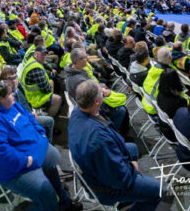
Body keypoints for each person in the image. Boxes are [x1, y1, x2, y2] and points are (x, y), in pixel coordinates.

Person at [0, 80, 80, 211]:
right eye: (10, 94)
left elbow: (29, 118)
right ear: (0, 98)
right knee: (44, 190)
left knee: (52, 165)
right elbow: (2, 155)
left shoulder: (11, 104)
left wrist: (41, 133)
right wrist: (26, 161)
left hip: (32, 151)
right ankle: (51, 204)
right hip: (14, 168)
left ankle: (64, 202)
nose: (14, 95)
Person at [68, 80, 162, 211]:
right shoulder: (97, 139)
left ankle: (133, 195)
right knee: (157, 190)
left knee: (133, 148)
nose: (103, 92)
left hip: (97, 167)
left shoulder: (77, 112)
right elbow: (119, 178)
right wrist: (133, 169)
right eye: (101, 92)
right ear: (97, 102)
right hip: (105, 188)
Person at [65, 48, 129, 136]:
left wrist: (99, 87)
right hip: (92, 106)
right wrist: (102, 92)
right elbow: (90, 98)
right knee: (121, 110)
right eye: (84, 57)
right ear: (77, 60)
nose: (87, 59)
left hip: (90, 100)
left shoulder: (76, 70)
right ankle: (115, 133)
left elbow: (90, 84)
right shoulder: (78, 80)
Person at [20, 48, 62, 117]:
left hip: (32, 93)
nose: (44, 57)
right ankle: (48, 121)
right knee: (58, 99)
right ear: (36, 55)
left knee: (51, 81)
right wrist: (50, 89)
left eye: (45, 55)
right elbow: (46, 89)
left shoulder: (33, 60)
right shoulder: (35, 68)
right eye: (42, 55)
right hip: (34, 98)